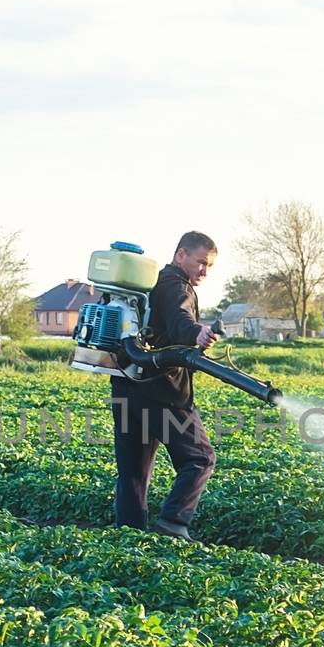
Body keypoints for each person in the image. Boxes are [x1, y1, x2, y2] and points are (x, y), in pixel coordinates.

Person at [109, 231, 220, 539]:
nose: (204, 272)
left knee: (133, 470)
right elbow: (180, 320)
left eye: (209, 266)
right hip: (163, 391)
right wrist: (197, 334)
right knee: (200, 458)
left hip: (126, 386)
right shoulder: (176, 286)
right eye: (200, 262)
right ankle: (173, 523)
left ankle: (128, 538)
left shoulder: (149, 285)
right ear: (180, 255)